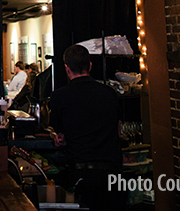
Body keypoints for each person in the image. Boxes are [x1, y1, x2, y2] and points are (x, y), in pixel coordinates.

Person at [49, 45, 124, 210]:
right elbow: (117, 129)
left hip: (81, 176)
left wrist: (60, 138)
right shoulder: (109, 93)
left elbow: (60, 134)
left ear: (67, 69)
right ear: (90, 66)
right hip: (113, 175)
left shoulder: (59, 96)